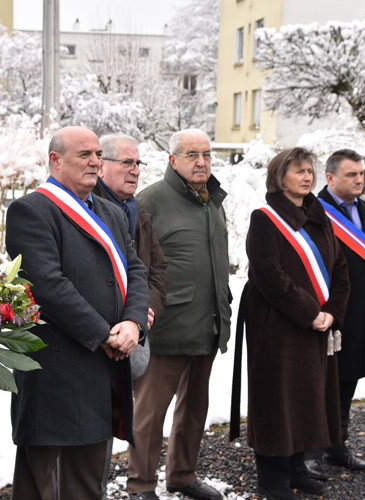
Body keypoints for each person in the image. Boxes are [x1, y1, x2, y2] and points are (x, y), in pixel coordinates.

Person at [4, 126, 150, 499]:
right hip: (55, 369)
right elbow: (47, 284)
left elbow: (134, 270)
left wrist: (133, 322)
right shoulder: (31, 210)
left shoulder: (109, 212)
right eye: (84, 154)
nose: (95, 161)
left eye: (98, 154)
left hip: (104, 367)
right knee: (40, 482)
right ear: (55, 160)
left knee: (88, 480)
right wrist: (104, 333)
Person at [232, 147, 349, 500]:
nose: (307, 176)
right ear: (279, 177)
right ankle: (273, 478)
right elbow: (268, 274)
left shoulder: (319, 215)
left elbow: (340, 269)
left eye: (309, 170)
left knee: (308, 397)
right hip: (277, 327)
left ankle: (298, 468)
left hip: (317, 325)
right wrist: (309, 312)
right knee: (277, 400)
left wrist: (332, 312)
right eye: (298, 171)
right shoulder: (265, 218)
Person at [127, 129, 231, 500]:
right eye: (191, 154)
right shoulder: (150, 201)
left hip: (207, 323)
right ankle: (141, 485)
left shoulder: (212, 200)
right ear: (173, 160)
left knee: (194, 410)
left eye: (206, 153)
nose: (201, 161)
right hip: (165, 325)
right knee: (150, 414)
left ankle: (183, 475)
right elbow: (136, 266)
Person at [94, 133, 169, 496]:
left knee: (115, 418)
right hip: (99, 336)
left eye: (138, 164)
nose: (135, 171)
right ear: (100, 164)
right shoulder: (88, 208)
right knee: (93, 426)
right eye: (127, 162)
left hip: (135, 332)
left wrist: (145, 311)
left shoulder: (138, 211)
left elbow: (154, 269)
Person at [305, 149, 365, 478]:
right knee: (321, 384)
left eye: (361, 174)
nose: (359, 180)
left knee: (347, 381)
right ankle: (312, 451)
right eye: (351, 175)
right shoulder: (312, 211)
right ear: (330, 178)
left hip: (362, 312)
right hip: (329, 312)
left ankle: (338, 446)